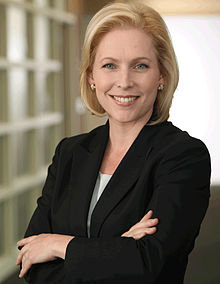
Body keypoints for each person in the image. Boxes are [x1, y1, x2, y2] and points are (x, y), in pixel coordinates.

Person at [16, 1, 211, 283]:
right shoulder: (70, 152)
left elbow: (147, 264)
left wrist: (59, 244)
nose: (124, 81)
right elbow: (30, 262)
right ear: (92, 76)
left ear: (161, 75)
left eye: (140, 66)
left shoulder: (183, 156)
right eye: (109, 65)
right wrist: (117, 248)